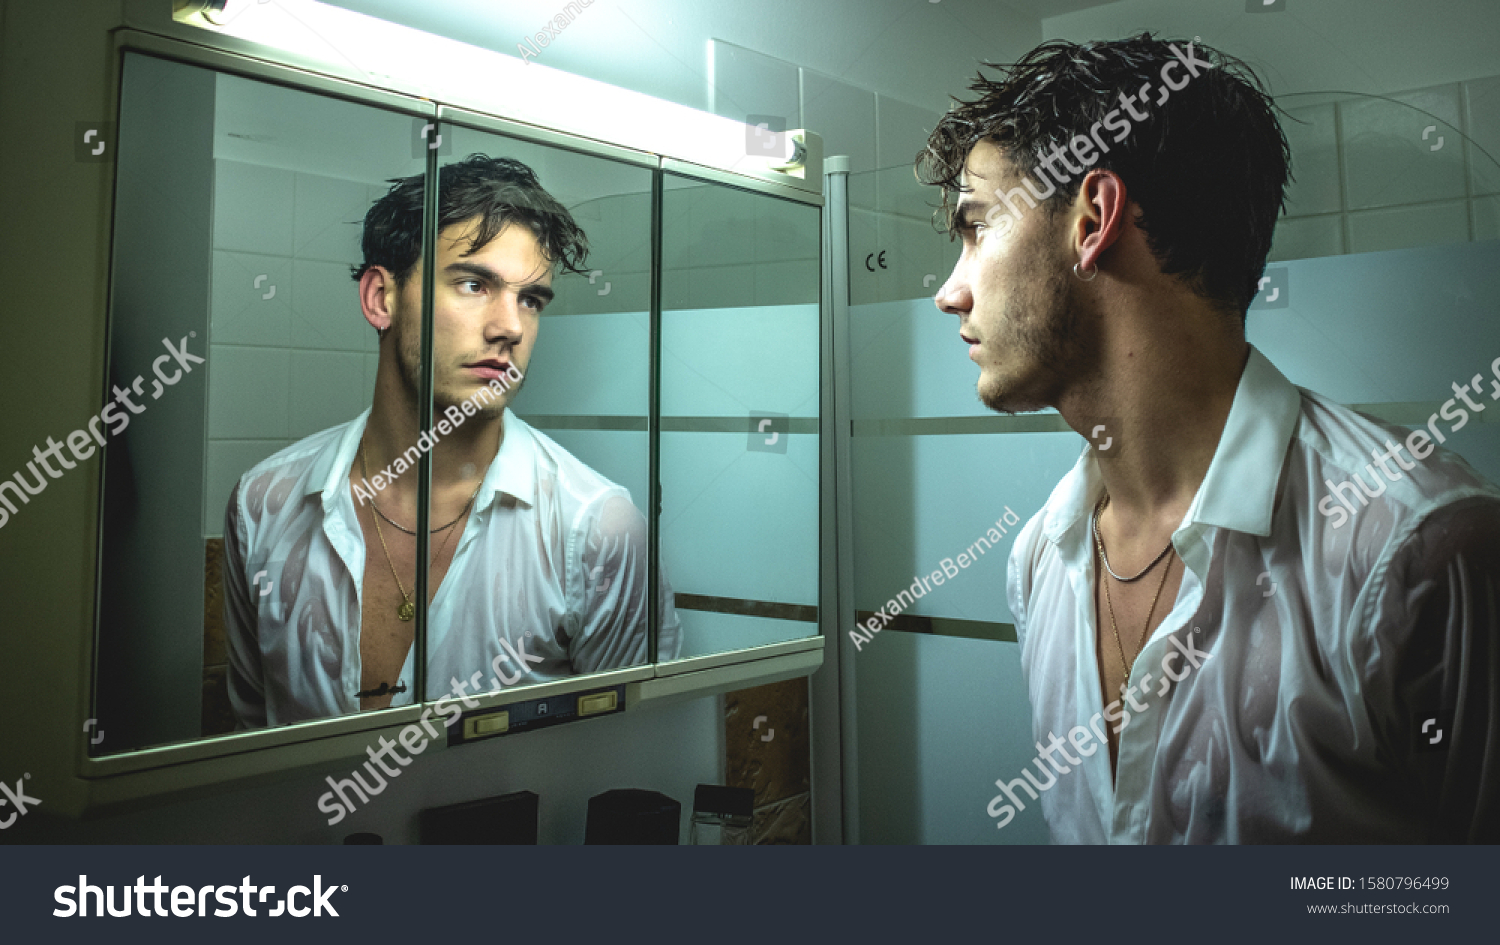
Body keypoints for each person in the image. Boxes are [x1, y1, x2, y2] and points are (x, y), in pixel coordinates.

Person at [920, 35, 1500, 842]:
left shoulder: (1414, 547)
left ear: (1093, 218)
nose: (951, 292)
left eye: (978, 228)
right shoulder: (1040, 561)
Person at [223, 154, 679, 730]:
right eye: (473, 283)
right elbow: (245, 750)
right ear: (381, 299)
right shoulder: (264, 505)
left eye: (530, 299)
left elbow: (636, 756)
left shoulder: (597, 529)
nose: (510, 327)